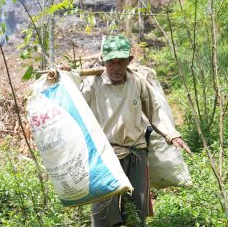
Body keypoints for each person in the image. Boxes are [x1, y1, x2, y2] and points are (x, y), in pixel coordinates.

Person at [80, 35, 190, 227]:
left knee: (135, 213)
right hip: (105, 155)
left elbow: (155, 111)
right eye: (111, 62)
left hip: (136, 153)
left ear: (129, 61)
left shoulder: (137, 81)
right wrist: (64, 76)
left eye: (120, 62)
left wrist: (172, 135)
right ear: (103, 62)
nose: (115, 67)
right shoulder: (93, 84)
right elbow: (75, 103)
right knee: (103, 213)